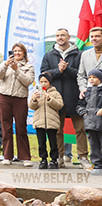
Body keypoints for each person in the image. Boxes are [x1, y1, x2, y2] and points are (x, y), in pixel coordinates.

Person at [40, 28, 86, 168]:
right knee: (57, 130)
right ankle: (59, 157)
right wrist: (58, 71)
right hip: (55, 99)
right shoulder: (49, 55)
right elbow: (44, 74)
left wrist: (67, 69)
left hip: (75, 97)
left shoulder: (79, 54)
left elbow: (82, 74)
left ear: (68, 37)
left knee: (80, 129)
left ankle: (83, 157)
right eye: (58, 35)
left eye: (63, 35)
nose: (60, 37)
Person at [0, 42, 35, 166]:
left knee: (21, 127)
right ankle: (7, 156)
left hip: (20, 98)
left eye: (19, 51)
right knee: (6, 127)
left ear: (24, 53)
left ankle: (25, 157)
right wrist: (5, 66)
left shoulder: (28, 67)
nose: (17, 53)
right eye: (15, 51)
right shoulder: (5, 63)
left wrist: (17, 70)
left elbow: (28, 81)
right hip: (4, 97)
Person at [29, 72, 63, 169]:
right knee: (41, 143)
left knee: (53, 143)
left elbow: (59, 105)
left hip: (52, 122)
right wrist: (34, 100)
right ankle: (43, 159)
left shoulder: (55, 93)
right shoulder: (36, 93)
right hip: (39, 122)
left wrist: (49, 99)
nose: (43, 84)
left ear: (50, 82)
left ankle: (54, 160)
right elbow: (31, 106)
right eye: (41, 82)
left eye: (45, 81)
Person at [77, 68, 102, 174]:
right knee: (93, 144)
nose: (91, 79)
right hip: (90, 123)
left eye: (94, 77)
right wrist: (84, 113)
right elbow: (79, 105)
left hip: (100, 122)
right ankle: (97, 165)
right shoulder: (86, 92)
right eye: (89, 77)